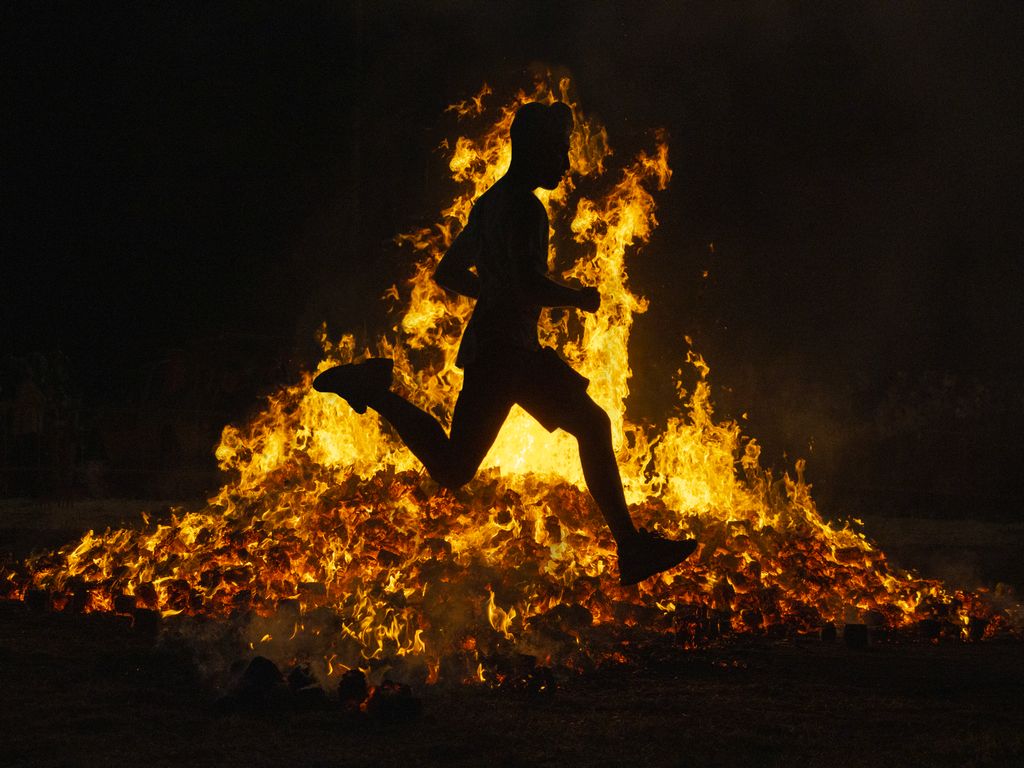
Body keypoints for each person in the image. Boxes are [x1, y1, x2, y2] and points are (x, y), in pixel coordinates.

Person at [314, 101, 696, 585]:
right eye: (559, 150)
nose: (565, 162)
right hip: (509, 352)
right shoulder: (526, 209)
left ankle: (373, 390)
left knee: (457, 466)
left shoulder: (490, 203)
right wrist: (578, 298)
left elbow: (451, 271)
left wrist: (492, 292)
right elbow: (528, 284)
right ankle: (631, 547)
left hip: (496, 347)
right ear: (534, 148)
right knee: (592, 426)